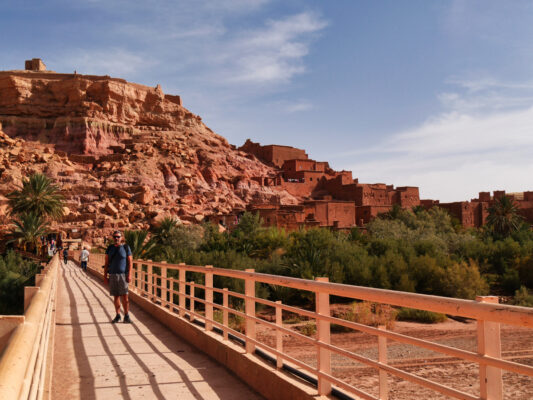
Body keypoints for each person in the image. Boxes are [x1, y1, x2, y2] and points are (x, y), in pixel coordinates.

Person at [104, 231, 133, 323]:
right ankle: (117, 315)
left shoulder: (126, 247)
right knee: (116, 296)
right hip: (112, 275)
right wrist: (105, 276)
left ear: (121, 238)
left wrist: (130, 274)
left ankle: (127, 315)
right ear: (113, 238)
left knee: (125, 296)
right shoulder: (110, 248)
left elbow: (130, 262)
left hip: (123, 275)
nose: (116, 238)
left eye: (118, 237)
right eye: (115, 237)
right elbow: (106, 263)